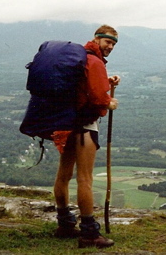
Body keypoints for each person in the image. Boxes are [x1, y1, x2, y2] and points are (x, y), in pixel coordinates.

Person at [53, 25, 120, 249]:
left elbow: (86, 87)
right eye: (108, 41)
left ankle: (65, 224)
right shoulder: (95, 61)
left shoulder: (80, 58)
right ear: (97, 38)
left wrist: (106, 83)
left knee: (64, 175)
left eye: (113, 43)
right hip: (84, 126)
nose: (110, 46)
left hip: (65, 124)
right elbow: (99, 99)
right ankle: (90, 233)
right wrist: (110, 101)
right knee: (85, 179)